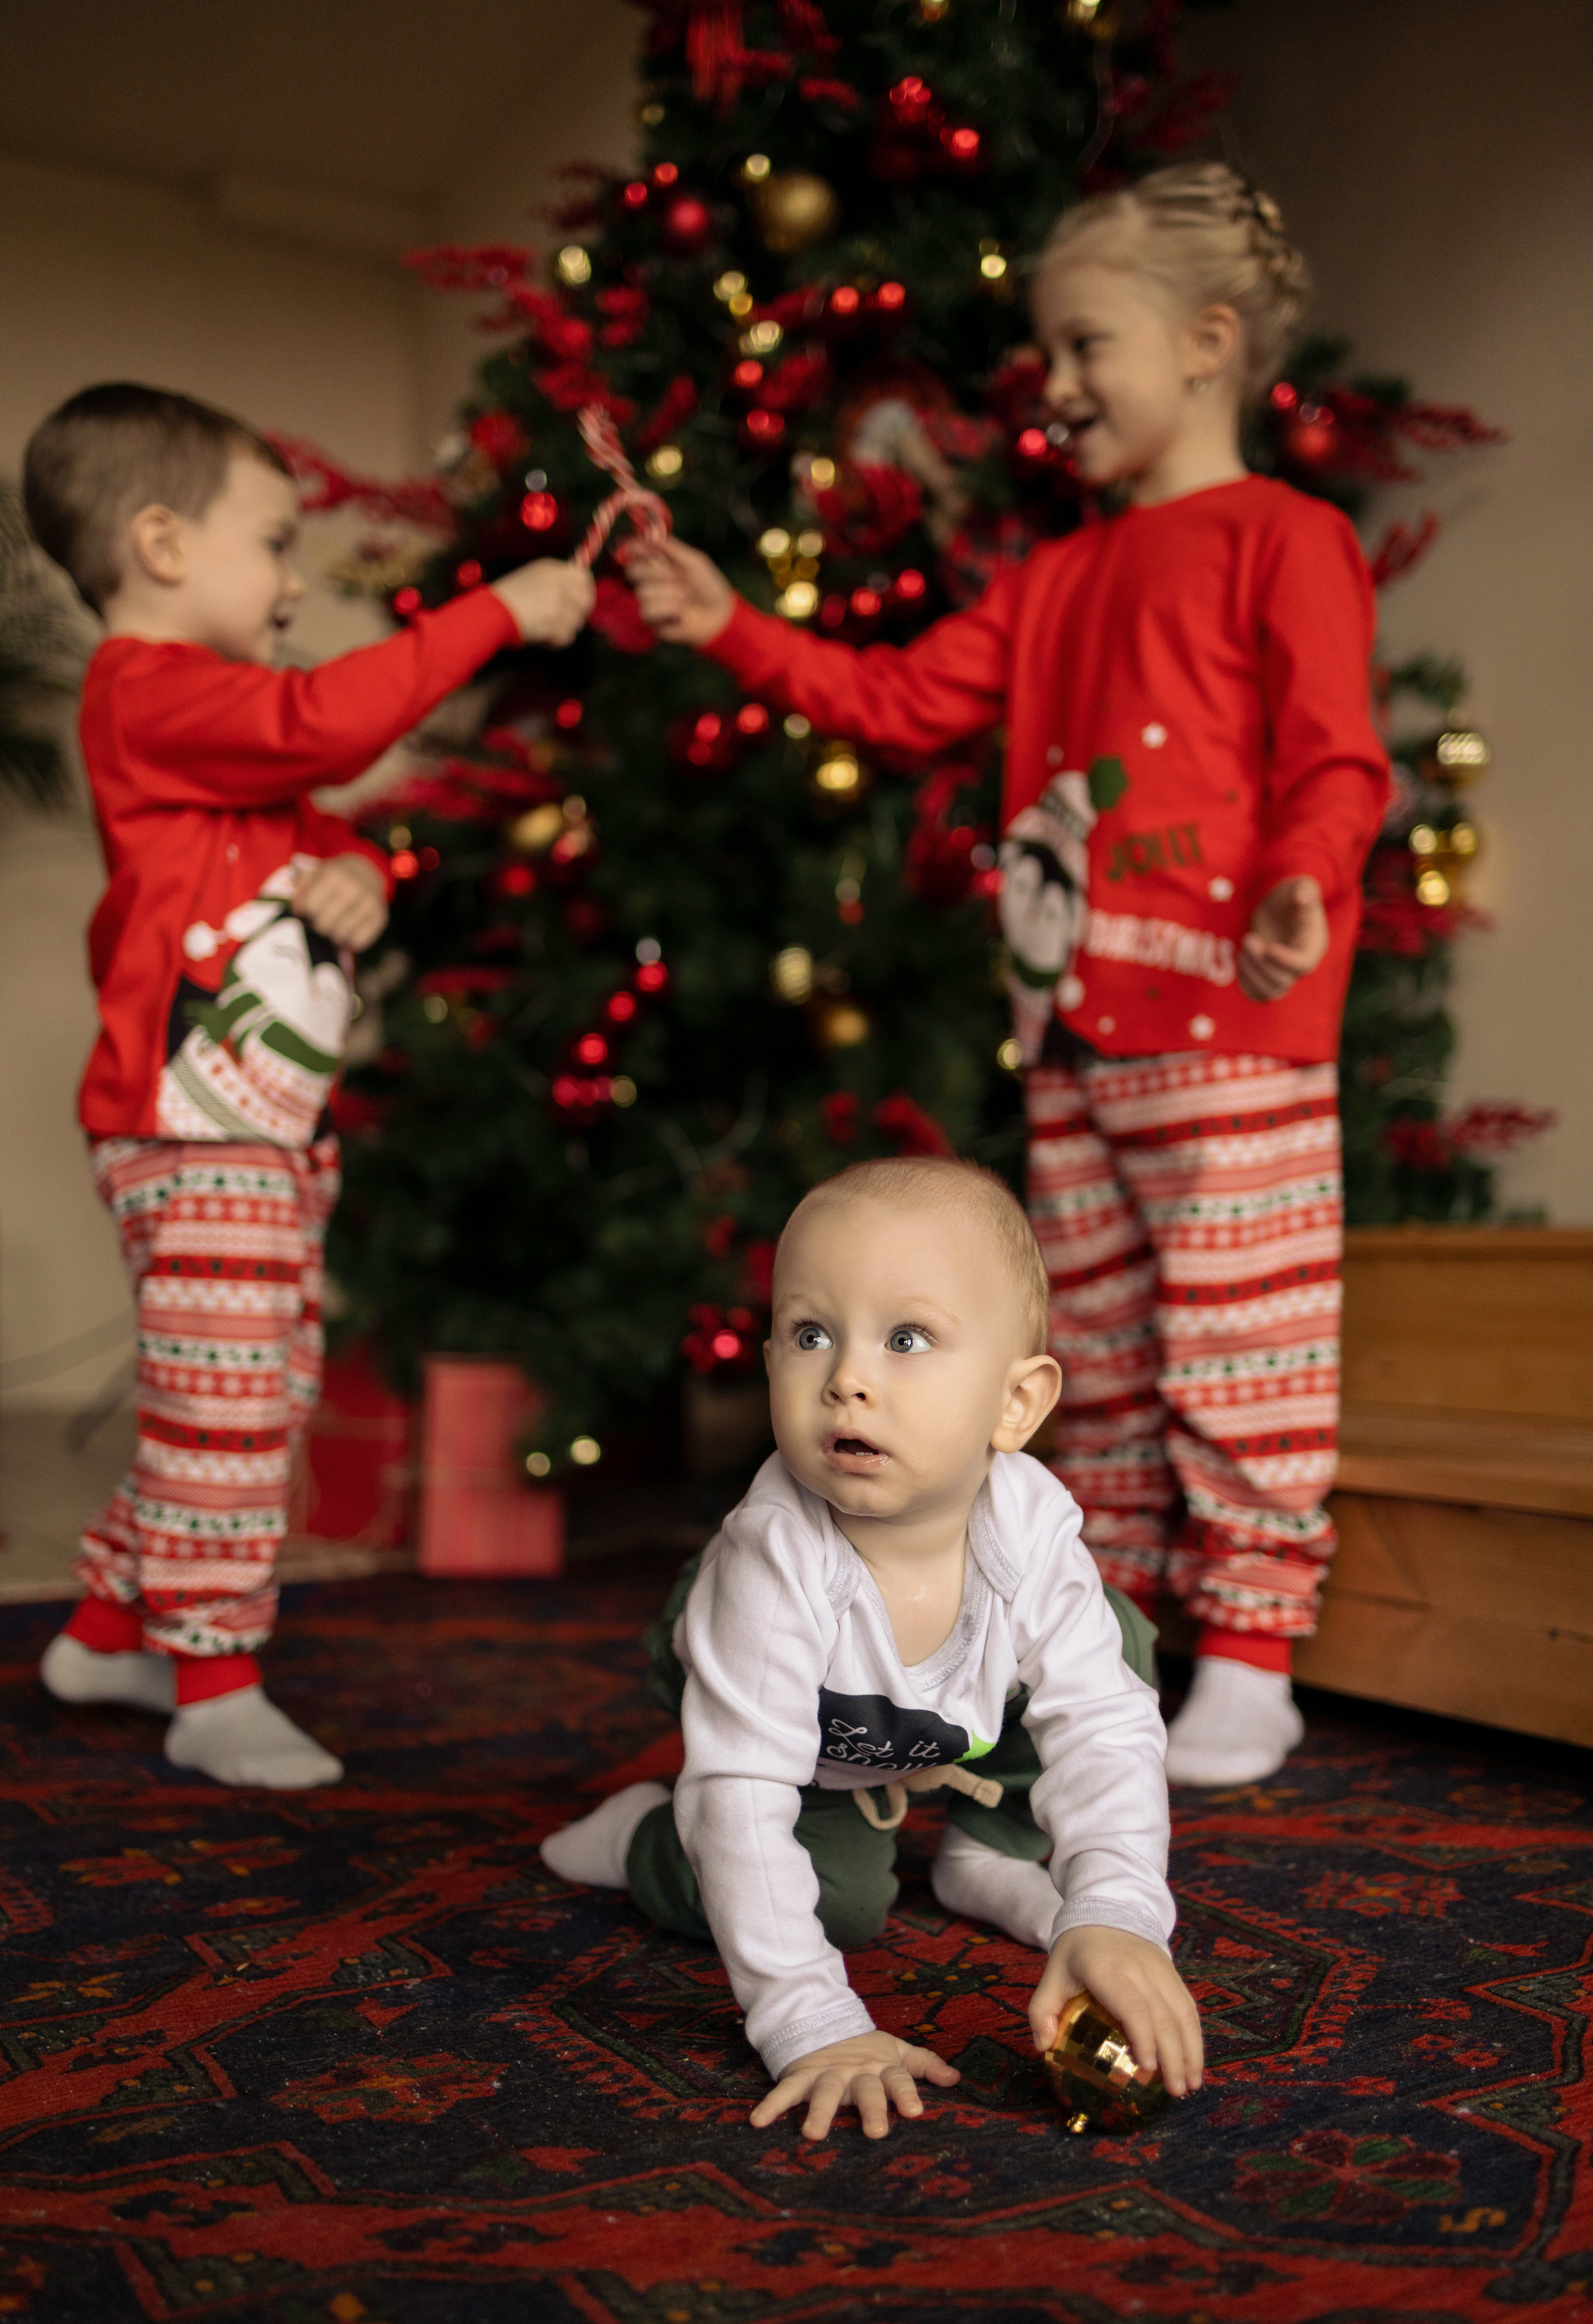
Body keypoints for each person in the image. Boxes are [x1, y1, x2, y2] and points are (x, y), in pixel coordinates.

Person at [626, 164, 1390, 1789]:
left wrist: (1305, 886)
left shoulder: (1287, 538)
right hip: (1076, 1038)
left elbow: (1338, 763)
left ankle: (1250, 1653)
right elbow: (893, 701)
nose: (1056, 384)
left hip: (1233, 1028)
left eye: (1084, 343)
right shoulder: (1055, 583)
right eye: (1048, 350)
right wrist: (732, 624)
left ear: (1208, 342)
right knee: (1091, 1360)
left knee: (1246, 1342)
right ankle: (1098, 1643)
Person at [22, 382, 594, 1789]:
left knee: (245, 1391)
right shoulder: (143, 693)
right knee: (226, 1407)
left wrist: (365, 869)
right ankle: (214, 1682)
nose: (290, 577)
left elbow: (323, 818)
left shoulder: (221, 753)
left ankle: (106, 1628)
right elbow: (322, 728)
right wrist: (496, 613)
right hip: (194, 1126)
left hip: (266, 1131)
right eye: (273, 542)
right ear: (160, 544)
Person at [543, 1158, 1202, 2141]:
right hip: (795, 1720)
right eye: (811, 1335)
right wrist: (811, 2022)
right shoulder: (774, 1565)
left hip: (947, 1716)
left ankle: (990, 1846)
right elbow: (742, 1796)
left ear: (1015, 1406)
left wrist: (1115, 1912)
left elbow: (1103, 1728)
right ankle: (644, 1840)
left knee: (1120, 1648)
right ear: (771, 1365)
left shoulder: (1030, 1527)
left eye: (907, 1339)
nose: (846, 1378)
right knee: (839, 1900)